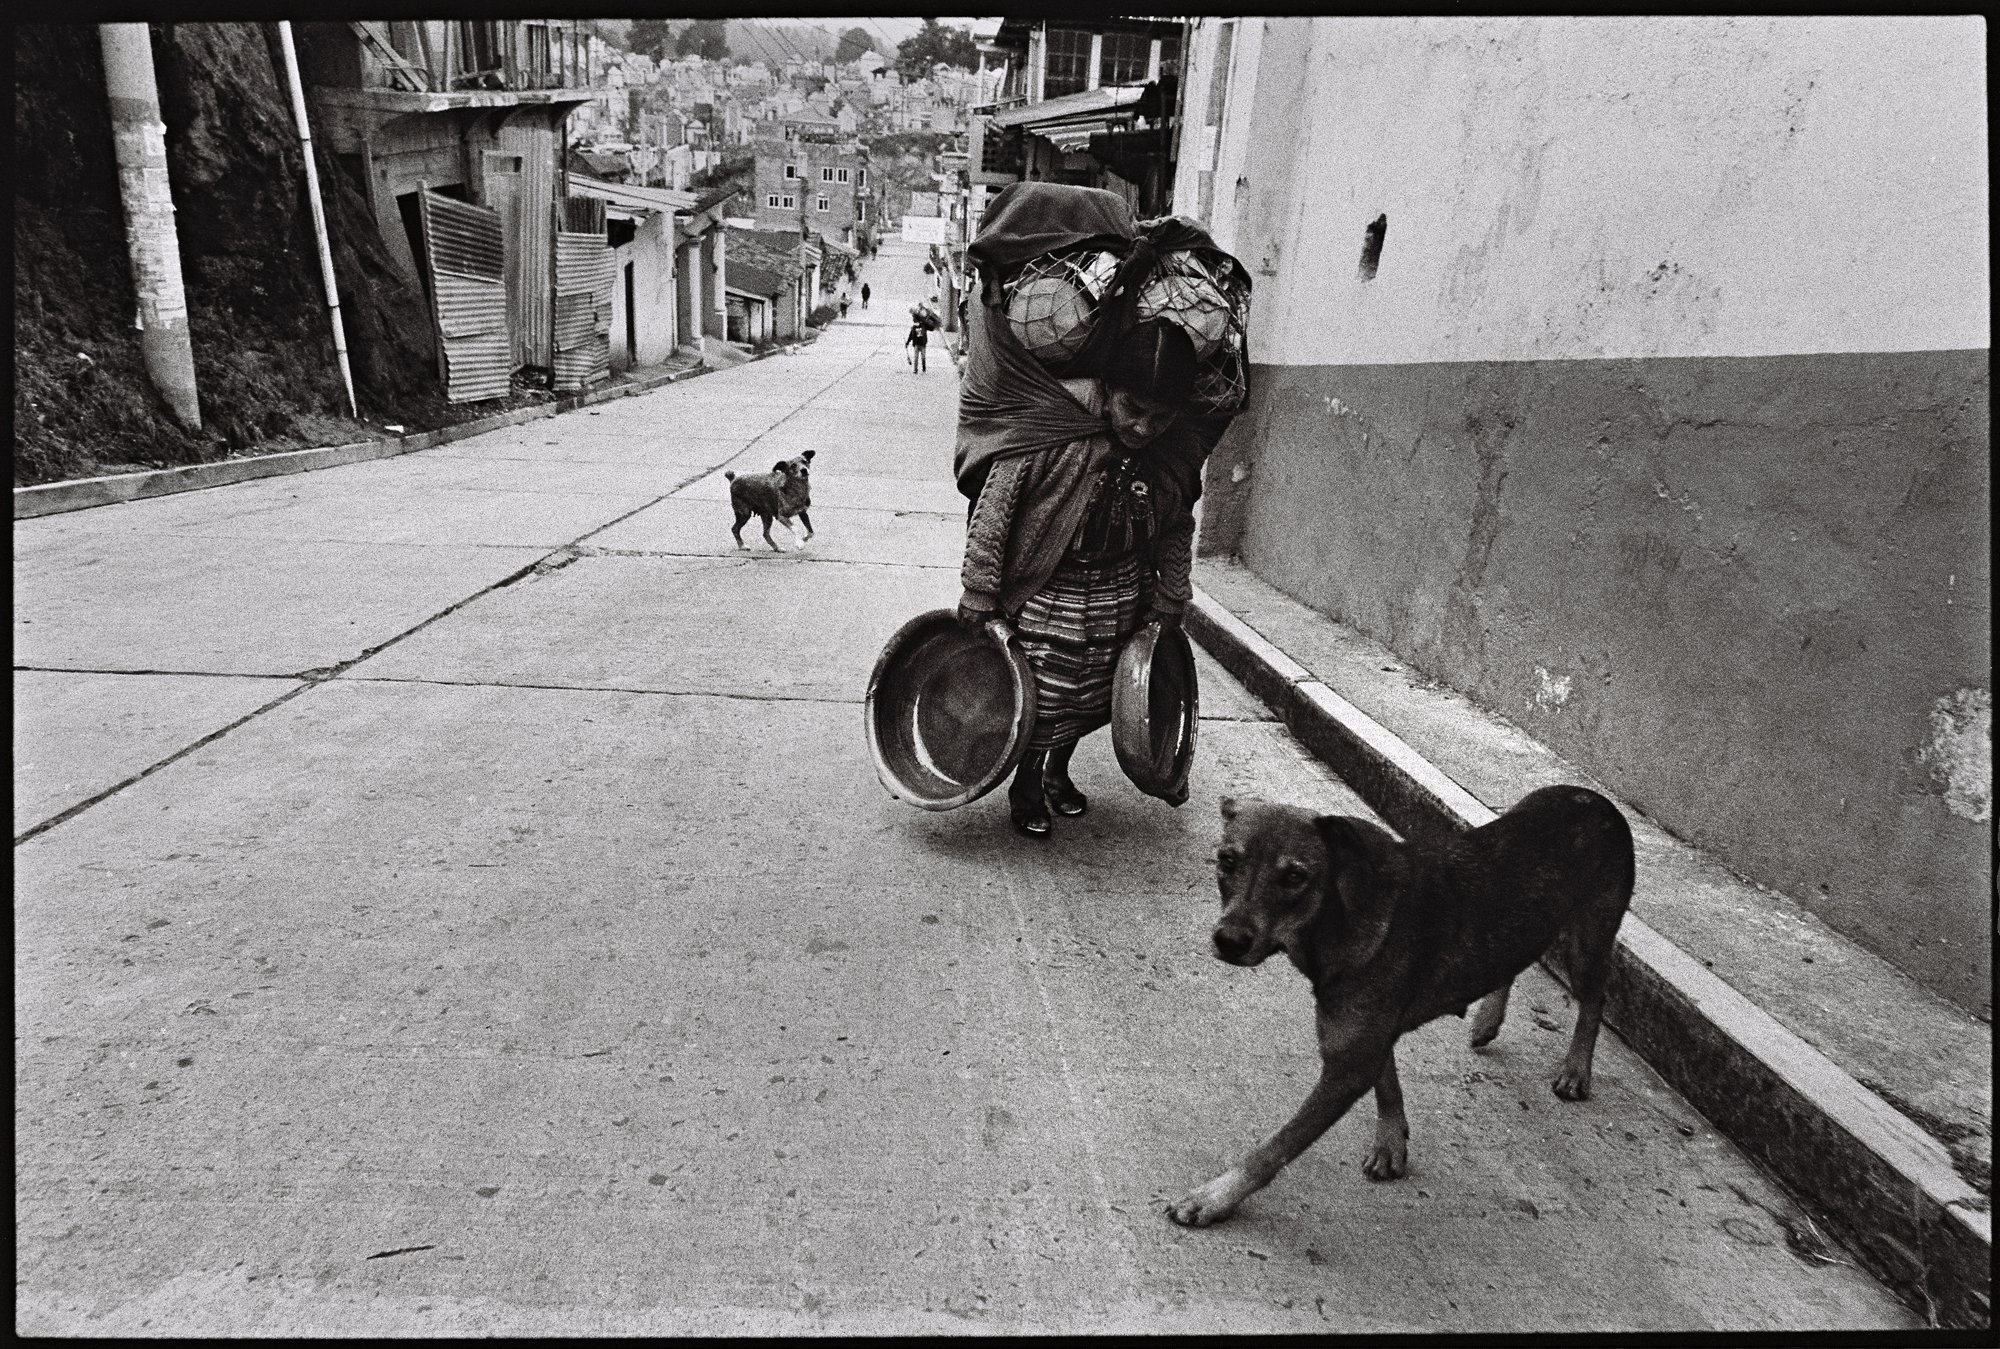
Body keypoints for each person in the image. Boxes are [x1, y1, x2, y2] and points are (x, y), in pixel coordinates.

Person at [956, 320, 1206, 838]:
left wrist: (1172, 593)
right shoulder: (1055, 417)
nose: (1141, 428)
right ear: (1108, 390)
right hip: (1049, 587)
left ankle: (1056, 771)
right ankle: (1026, 783)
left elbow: (1177, 523)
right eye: (1131, 409)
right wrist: (980, 585)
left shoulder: (1169, 450)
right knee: (1041, 695)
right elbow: (997, 502)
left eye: (1158, 419)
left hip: (1118, 592)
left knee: (1092, 694)